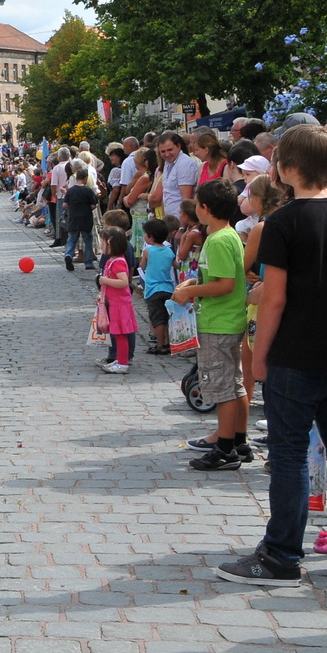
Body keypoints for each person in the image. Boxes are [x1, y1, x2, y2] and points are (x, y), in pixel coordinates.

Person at [218, 124, 327, 586]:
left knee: (288, 454)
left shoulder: (284, 222)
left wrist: (260, 354)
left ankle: (282, 555)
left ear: (286, 169)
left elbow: (274, 298)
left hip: (297, 349)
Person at [172, 180, 250, 469]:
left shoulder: (217, 240)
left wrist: (189, 292)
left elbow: (225, 285)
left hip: (218, 323)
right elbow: (219, 278)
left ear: (205, 208)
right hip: (228, 321)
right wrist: (195, 281)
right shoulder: (228, 234)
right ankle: (240, 441)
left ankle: (226, 449)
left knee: (221, 388)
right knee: (235, 384)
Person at [96, 227, 137, 373]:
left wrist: (105, 280)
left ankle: (123, 363)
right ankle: (119, 360)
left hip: (120, 305)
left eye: (102, 241)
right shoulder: (111, 261)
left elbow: (123, 282)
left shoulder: (118, 262)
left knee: (120, 335)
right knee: (117, 334)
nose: (100, 244)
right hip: (114, 303)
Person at [141, 218, 176, 356]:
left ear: (150, 236)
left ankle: (160, 345)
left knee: (157, 319)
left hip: (153, 290)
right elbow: (175, 264)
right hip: (168, 288)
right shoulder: (169, 251)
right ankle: (168, 342)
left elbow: (143, 266)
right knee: (166, 317)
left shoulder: (148, 251)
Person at [157, 132, 201, 220]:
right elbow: (166, 194)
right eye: (163, 151)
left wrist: (183, 226)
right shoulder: (168, 163)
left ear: (179, 146)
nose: (166, 154)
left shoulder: (185, 164)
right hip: (171, 219)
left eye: (170, 150)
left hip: (180, 219)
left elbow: (186, 199)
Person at [63, 162, 97, 272]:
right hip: (86, 218)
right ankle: (88, 262)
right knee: (88, 239)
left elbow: (65, 204)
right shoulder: (88, 190)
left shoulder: (71, 191)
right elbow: (93, 205)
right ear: (86, 178)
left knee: (72, 238)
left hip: (73, 218)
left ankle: (68, 254)